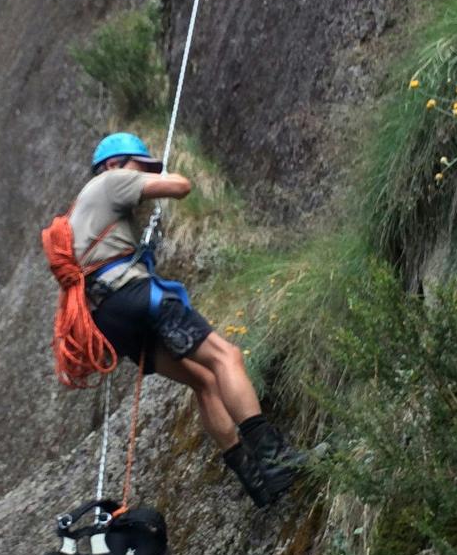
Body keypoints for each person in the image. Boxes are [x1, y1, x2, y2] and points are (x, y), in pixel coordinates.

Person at [69, 131, 307, 506]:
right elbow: (181, 186)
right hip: (133, 294)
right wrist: (159, 179)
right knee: (226, 357)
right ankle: (275, 459)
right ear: (114, 165)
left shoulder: (83, 212)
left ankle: (256, 482)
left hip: (109, 316)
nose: (142, 174)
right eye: (138, 167)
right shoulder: (110, 181)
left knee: (204, 381)